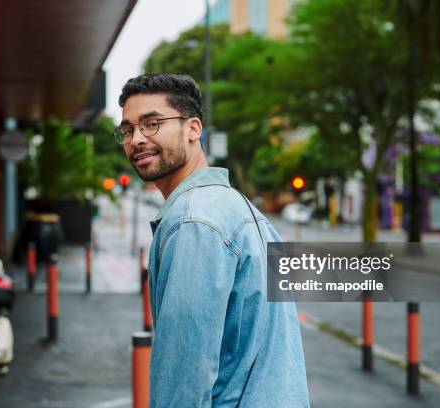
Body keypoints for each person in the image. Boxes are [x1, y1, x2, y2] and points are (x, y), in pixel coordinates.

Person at [117, 73, 309, 407]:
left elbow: (185, 378)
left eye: (152, 124)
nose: (136, 140)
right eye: (128, 130)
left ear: (193, 129)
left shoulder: (193, 222)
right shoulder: (240, 210)